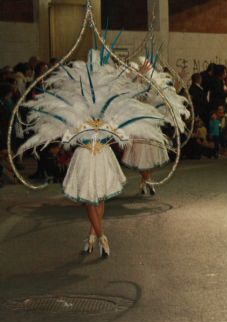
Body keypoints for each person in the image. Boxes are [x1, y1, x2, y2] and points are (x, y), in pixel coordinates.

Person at [16, 57, 167, 257]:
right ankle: (99, 234)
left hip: (97, 155)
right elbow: (65, 130)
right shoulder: (75, 105)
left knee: (96, 197)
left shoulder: (107, 104)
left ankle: (96, 235)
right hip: (89, 156)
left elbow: (124, 93)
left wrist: (139, 76)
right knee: (91, 198)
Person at [121, 56, 190, 195]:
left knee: (150, 157)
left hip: (152, 124)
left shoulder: (154, 84)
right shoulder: (131, 82)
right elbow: (126, 92)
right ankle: (147, 180)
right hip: (138, 125)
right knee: (140, 157)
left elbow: (169, 95)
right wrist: (138, 75)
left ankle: (146, 180)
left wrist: (180, 80)